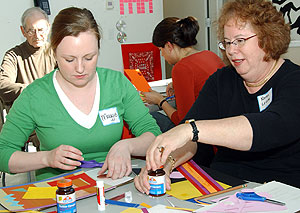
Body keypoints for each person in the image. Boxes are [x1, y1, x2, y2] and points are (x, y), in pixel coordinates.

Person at [135, 0, 300, 193]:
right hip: (223, 187)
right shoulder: (221, 81)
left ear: (267, 38)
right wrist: (164, 165)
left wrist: (191, 129)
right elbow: (189, 140)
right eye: (227, 43)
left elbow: (268, 127)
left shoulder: (294, 81)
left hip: (281, 192)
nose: (231, 50)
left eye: (240, 41)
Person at [0, 7, 161, 181]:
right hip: (60, 192)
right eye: (69, 59)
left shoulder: (117, 84)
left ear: (98, 50)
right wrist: (46, 158)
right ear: (53, 53)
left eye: (89, 57)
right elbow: (3, 153)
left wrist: (127, 146)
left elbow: (153, 135)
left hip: (114, 183)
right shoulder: (35, 95)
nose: (80, 68)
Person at [141, 16, 224, 133]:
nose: (162, 55)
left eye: (161, 50)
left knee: (151, 116)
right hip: (221, 125)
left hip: (203, 136)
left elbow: (183, 121)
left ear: (169, 46)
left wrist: (159, 101)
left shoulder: (181, 68)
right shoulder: (210, 55)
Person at [0, 7, 56, 115]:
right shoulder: (13, 56)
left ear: (48, 28)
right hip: (26, 120)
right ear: (23, 31)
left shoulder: (57, 52)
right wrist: (32, 90)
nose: (37, 36)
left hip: (52, 116)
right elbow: (2, 85)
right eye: (31, 31)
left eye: (41, 30)